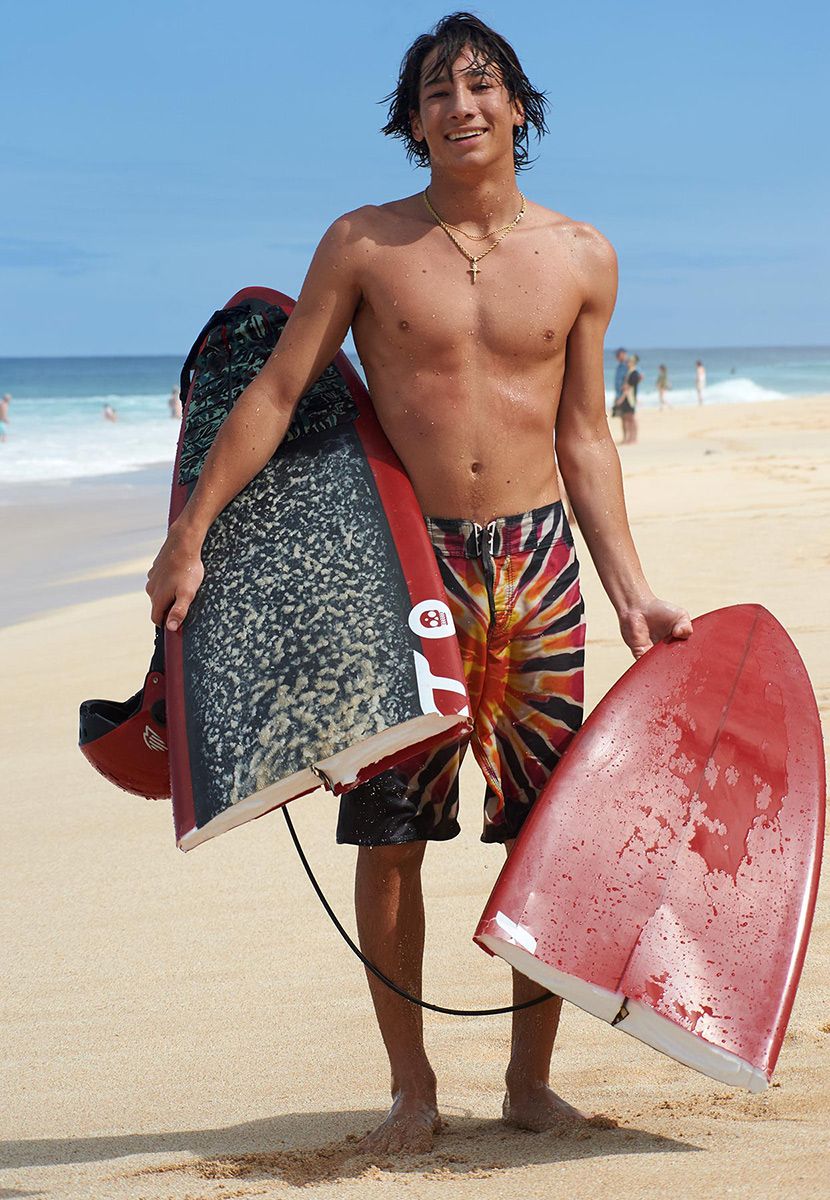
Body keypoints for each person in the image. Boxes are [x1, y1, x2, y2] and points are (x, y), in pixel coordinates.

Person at [146, 12, 691, 1153]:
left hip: (535, 568)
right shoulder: (362, 243)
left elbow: (584, 436)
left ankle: (528, 1084)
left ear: (519, 110)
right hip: (405, 572)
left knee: (542, 832)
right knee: (388, 832)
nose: (462, 105)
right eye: (438, 91)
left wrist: (629, 587)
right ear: (410, 123)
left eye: (483, 85)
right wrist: (192, 530)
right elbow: (279, 392)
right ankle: (410, 1088)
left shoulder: (583, 254)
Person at [619, 353, 641, 445]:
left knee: (631, 418)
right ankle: (629, 438)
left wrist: (621, 398)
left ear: (633, 363)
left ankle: (633, 438)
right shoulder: (629, 372)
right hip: (628, 397)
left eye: (629, 362)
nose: (627, 363)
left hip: (630, 398)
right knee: (626, 418)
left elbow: (629, 387)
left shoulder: (634, 373)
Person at [611, 347, 627, 418]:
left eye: (618, 355)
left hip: (625, 396)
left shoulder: (628, 365)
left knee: (629, 418)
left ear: (624, 354)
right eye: (616, 355)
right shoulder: (619, 366)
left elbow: (628, 382)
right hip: (619, 395)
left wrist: (622, 397)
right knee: (622, 417)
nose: (616, 357)